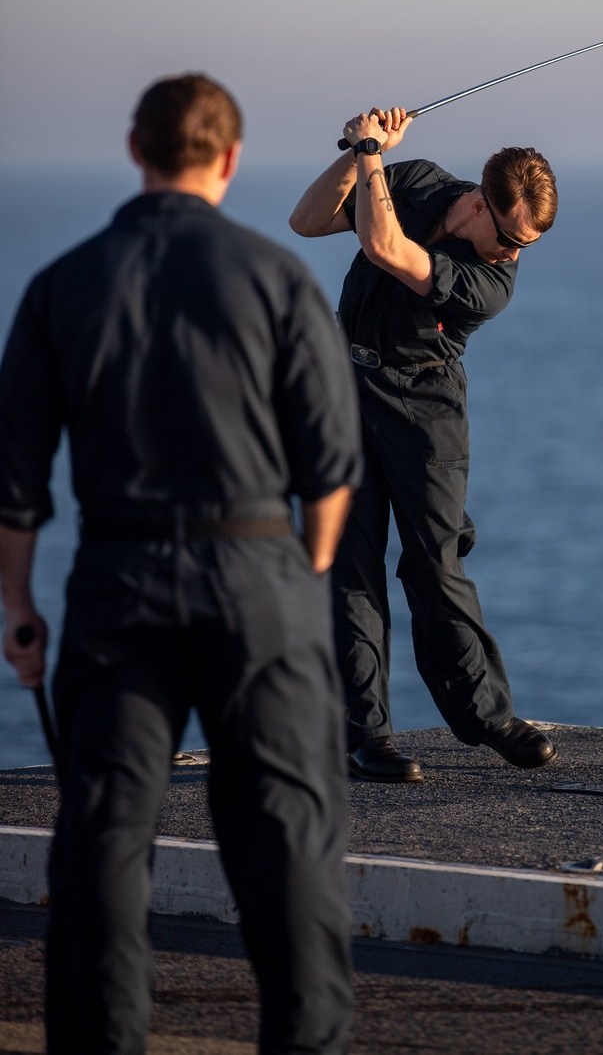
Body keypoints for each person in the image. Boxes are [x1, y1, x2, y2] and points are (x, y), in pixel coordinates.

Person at [0, 74, 363, 1055]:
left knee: (107, 829)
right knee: (287, 829)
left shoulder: (60, 284)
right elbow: (332, 467)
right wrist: (306, 574)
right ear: (231, 158)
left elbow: (16, 484)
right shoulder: (278, 276)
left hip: (119, 578)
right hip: (259, 571)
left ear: (135, 148)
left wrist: (18, 608)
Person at [289, 107, 558, 782]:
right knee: (350, 565)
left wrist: (374, 155)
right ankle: (365, 738)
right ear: (475, 205)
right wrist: (359, 152)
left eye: (527, 243)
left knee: (435, 559)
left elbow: (385, 249)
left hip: (426, 403)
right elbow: (308, 220)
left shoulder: (490, 283)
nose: (516, 254)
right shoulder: (416, 183)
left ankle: (486, 716)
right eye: (510, 237)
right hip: (344, 385)